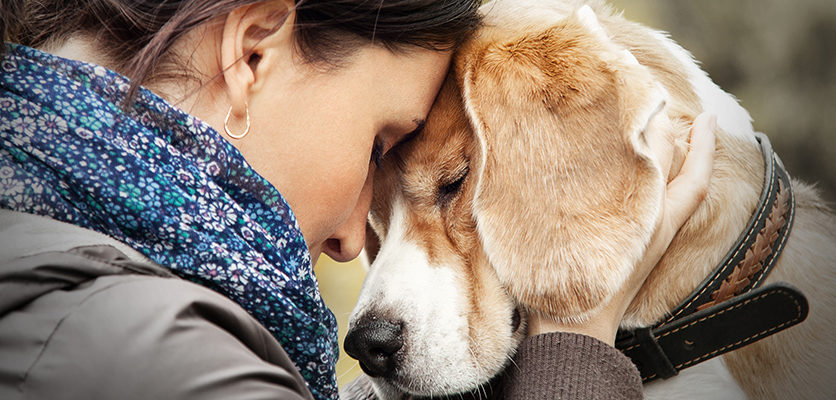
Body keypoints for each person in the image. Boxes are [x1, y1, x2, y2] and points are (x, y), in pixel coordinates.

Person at [0, 0, 715, 399]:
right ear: (251, 53)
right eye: (379, 145)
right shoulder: (159, 360)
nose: (351, 242)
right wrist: (576, 349)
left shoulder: (44, 250)